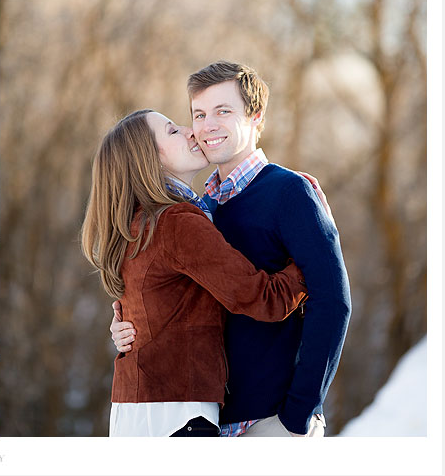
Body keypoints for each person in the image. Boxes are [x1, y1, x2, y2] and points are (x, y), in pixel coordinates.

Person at [110, 61, 351, 437]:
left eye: (223, 111)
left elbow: (333, 301)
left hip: (271, 419)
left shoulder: (291, 192)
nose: (206, 126)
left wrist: (300, 410)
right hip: (206, 419)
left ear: (255, 116)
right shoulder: (202, 209)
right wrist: (128, 322)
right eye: (199, 114)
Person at [81, 108, 309, 437]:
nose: (191, 131)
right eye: (173, 131)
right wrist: (309, 257)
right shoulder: (177, 222)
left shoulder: (138, 224)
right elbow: (259, 297)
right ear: (149, 159)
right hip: (178, 412)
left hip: (135, 410)